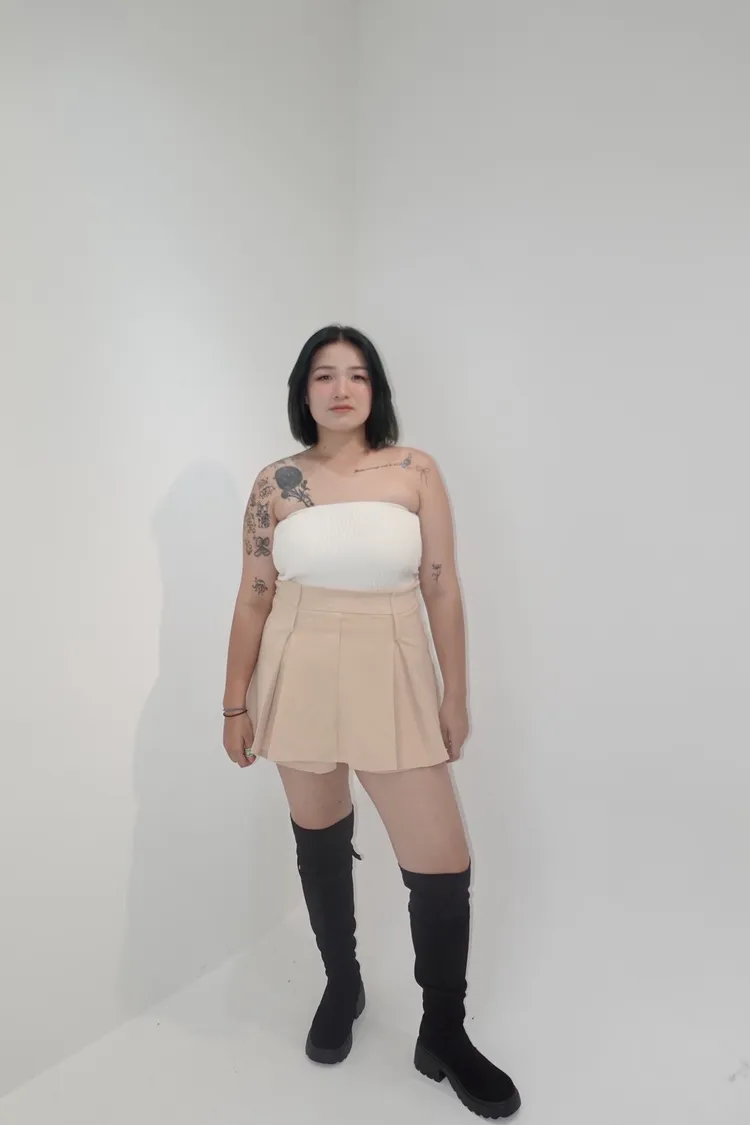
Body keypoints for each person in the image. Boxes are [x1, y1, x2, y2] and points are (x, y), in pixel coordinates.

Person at [221, 325, 521, 1120]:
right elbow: (254, 596)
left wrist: (456, 693)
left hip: (393, 659)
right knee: (319, 834)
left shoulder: (414, 469)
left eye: (356, 374)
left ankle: (443, 1030)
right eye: (324, 375)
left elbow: (442, 586)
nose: (341, 388)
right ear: (304, 389)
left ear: (376, 389)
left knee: (441, 860)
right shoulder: (275, 482)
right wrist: (234, 700)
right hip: (297, 657)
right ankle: (342, 982)